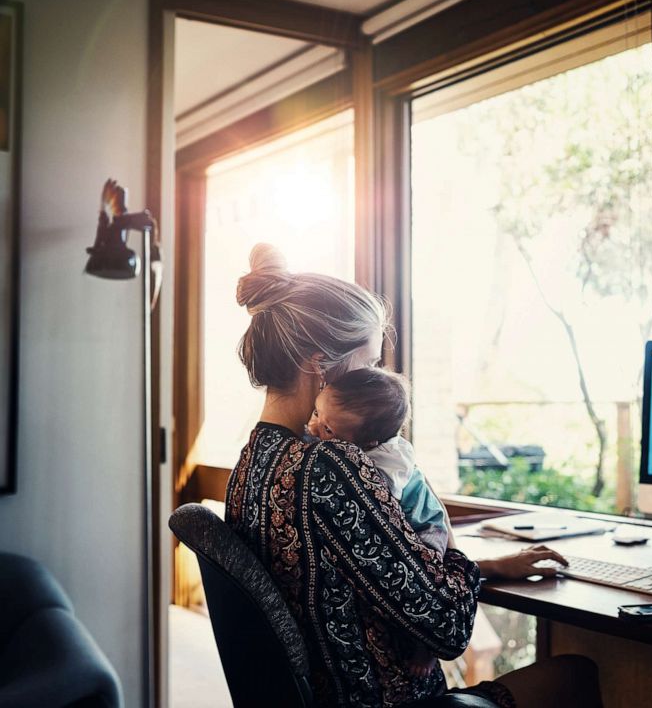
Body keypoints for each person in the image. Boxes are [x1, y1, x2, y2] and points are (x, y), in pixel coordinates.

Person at [226, 243, 603, 708]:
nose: (374, 381)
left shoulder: (252, 461)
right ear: (319, 367)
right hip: (390, 702)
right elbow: (447, 629)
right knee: (574, 674)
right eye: (367, 365)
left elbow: (349, 577)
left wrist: (490, 567)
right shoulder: (331, 465)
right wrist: (458, 559)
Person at [306, 367, 447, 678]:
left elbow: (379, 501)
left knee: (429, 579)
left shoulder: (388, 461)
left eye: (328, 430)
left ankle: (429, 648)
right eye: (316, 413)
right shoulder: (348, 438)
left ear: (367, 441)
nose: (314, 427)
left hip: (427, 525)